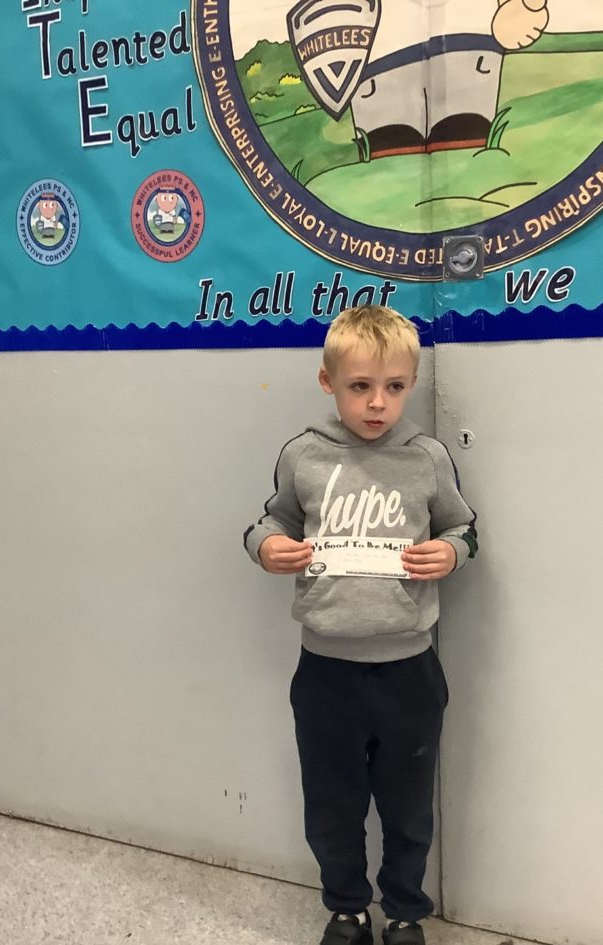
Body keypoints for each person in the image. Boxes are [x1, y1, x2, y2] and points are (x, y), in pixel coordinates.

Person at [243, 305, 478, 945]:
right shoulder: (303, 455)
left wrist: (451, 552)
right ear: (328, 382)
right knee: (332, 805)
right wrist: (266, 547)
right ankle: (346, 909)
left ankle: (404, 913)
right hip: (325, 673)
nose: (378, 402)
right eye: (360, 386)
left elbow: (463, 527)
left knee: (408, 808)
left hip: (409, 672)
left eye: (395, 387)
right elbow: (271, 521)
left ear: (412, 383)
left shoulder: (426, 458)